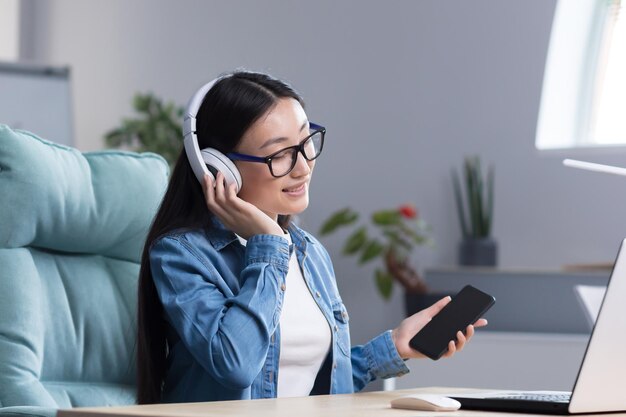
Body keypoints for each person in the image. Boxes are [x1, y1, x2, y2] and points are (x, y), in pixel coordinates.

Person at [136, 70, 487, 404]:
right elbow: (236, 364)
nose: (303, 166)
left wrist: (396, 345)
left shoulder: (308, 252)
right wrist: (269, 243)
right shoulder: (180, 255)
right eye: (280, 154)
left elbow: (320, 387)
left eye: (305, 142)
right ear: (219, 169)